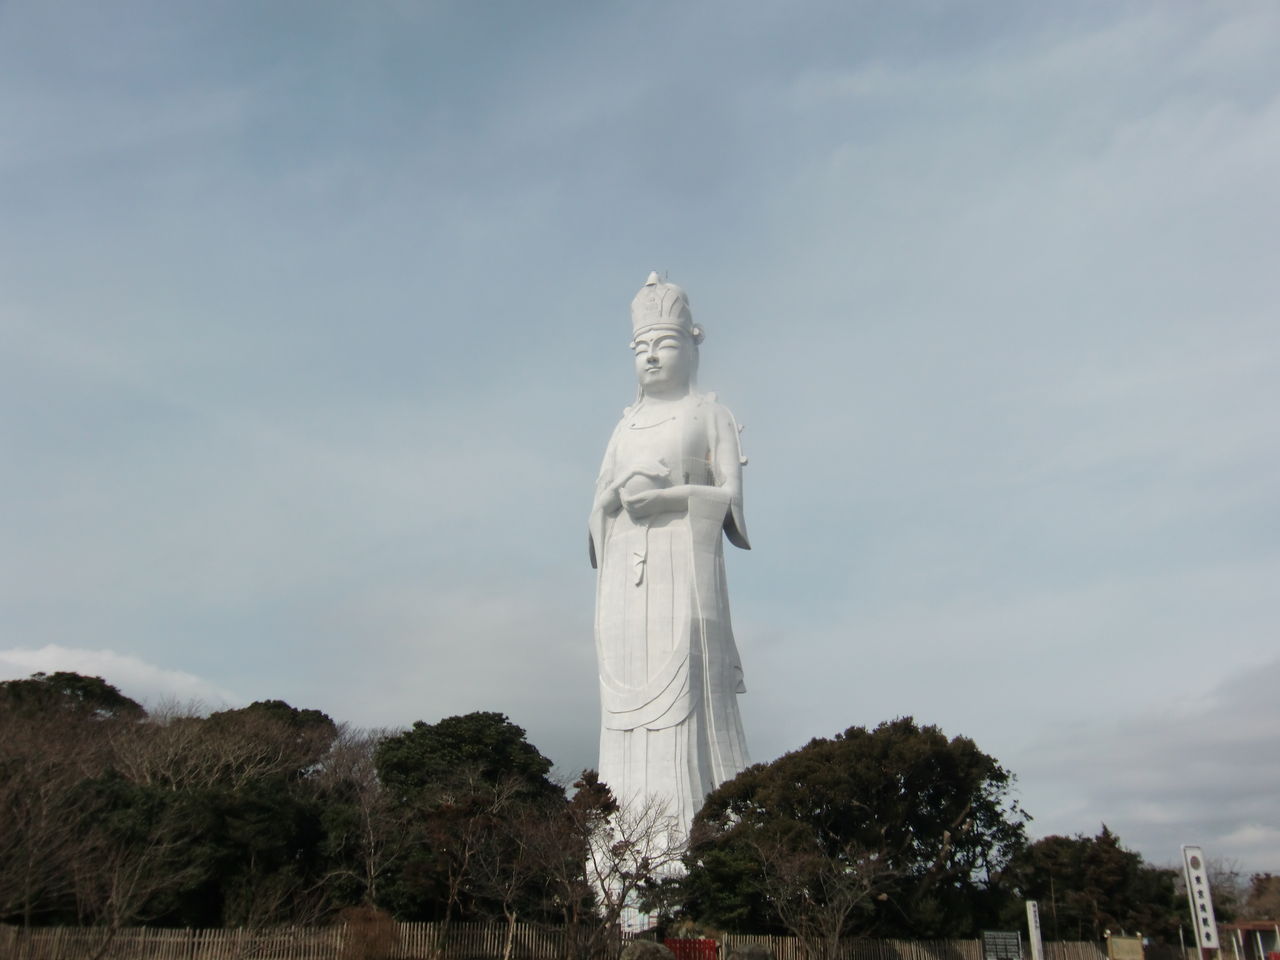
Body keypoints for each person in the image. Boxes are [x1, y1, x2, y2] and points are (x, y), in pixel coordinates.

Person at [589, 272, 751, 838]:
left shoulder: (711, 414)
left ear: (692, 344)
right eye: (641, 348)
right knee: (625, 710)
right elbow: (597, 508)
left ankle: (689, 829)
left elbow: (728, 501)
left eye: (665, 344)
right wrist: (616, 498)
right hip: (627, 580)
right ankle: (617, 840)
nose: (652, 357)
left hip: (682, 565)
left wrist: (670, 496)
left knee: (685, 696)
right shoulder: (623, 425)